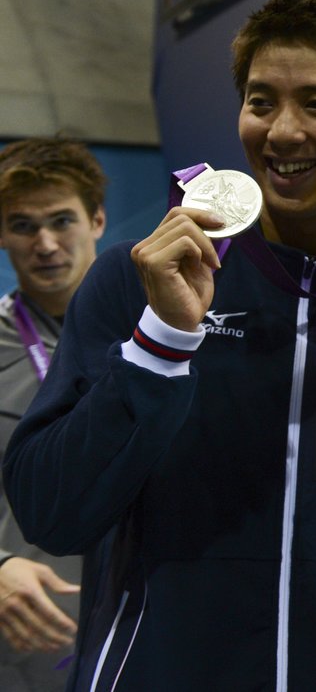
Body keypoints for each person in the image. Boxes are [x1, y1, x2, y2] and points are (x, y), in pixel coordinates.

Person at [3, 0, 316, 691]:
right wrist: (161, 342)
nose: (282, 132)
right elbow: (53, 513)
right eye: (261, 102)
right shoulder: (133, 282)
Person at [0, 140, 107, 689]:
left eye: (61, 220)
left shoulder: (167, 335)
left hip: (140, 631)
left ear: (97, 220)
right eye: (22, 225)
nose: (44, 244)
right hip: (22, 644)